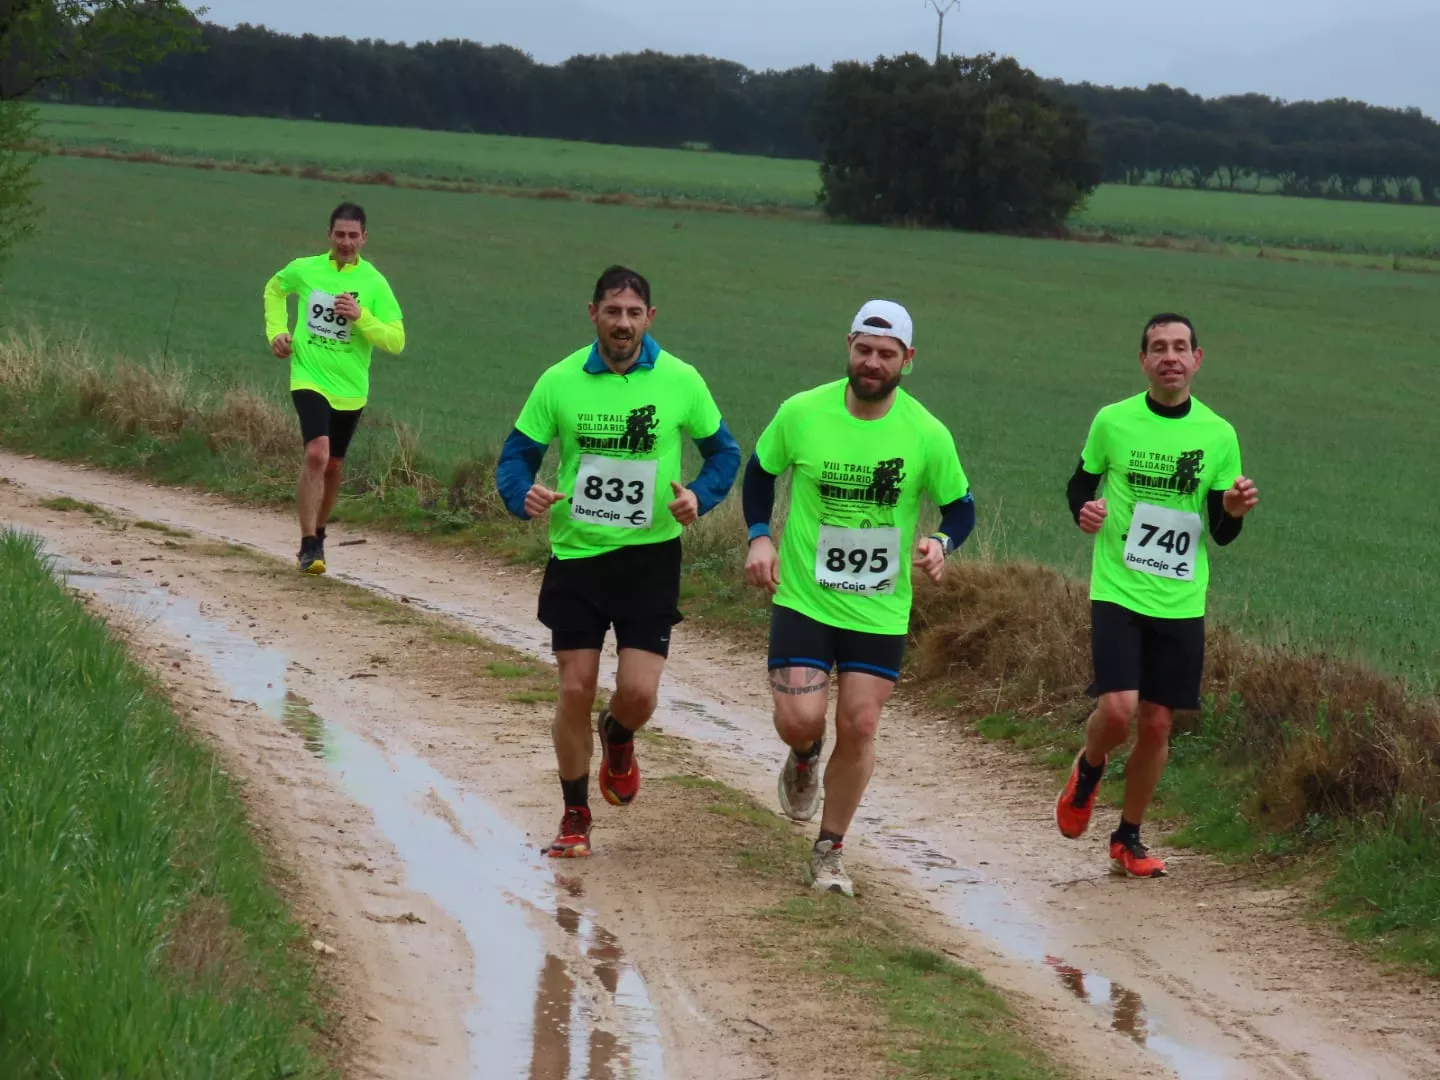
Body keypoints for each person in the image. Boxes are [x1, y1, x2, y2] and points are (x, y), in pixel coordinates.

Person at [495, 266, 740, 859]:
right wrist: (520, 495)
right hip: (576, 555)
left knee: (637, 693)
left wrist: (698, 498)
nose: (623, 323)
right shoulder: (559, 380)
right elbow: (516, 458)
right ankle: (575, 814)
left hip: (650, 558)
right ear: (593, 314)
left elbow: (724, 454)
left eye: (633, 313)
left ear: (649, 318)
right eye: (613, 312)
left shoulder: (682, 380)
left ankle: (620, 733)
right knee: (575, 688)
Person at [742, 300, 975, 898]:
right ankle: (803, 755)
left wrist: (941, 542)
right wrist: (760, 537)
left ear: (908, 360)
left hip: (878, 606)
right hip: (805, 597)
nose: (872, 363)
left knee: (862, 722)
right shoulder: (802, 412)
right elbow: (761, 472)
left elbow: (961, 505)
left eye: (886, 354)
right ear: (848, 345)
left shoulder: (926, 432)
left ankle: (829, 850)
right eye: (864, 350)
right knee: (800, 719)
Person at [1056, 313, 1259, 878]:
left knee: (1157, 723)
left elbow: (1220, 529)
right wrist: (1085, 510)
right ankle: (1090, 769)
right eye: (1158, 348)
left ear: (1197, 359)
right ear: (1143, 360)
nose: (1170, 356)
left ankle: (1128, 839)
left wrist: (1234, 510)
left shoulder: (1218, 434)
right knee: (1118, 710)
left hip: (1180, 599)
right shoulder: (1113, 421)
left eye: (1180, 348)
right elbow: (1080, 483)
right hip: (1118, 588)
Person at [264, 202, 405, 575]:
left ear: (364, 238)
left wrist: (362, 318)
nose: (346, 242)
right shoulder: (305, 269)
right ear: (329, 235)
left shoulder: (374, 283)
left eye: (353, 236)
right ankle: (308, 543)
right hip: (309, 376)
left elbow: (396, 340)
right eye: (340, 234)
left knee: (335, 464)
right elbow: (274, 290)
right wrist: (277, 331)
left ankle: (320, 533)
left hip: (351, 387)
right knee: (317, 454)